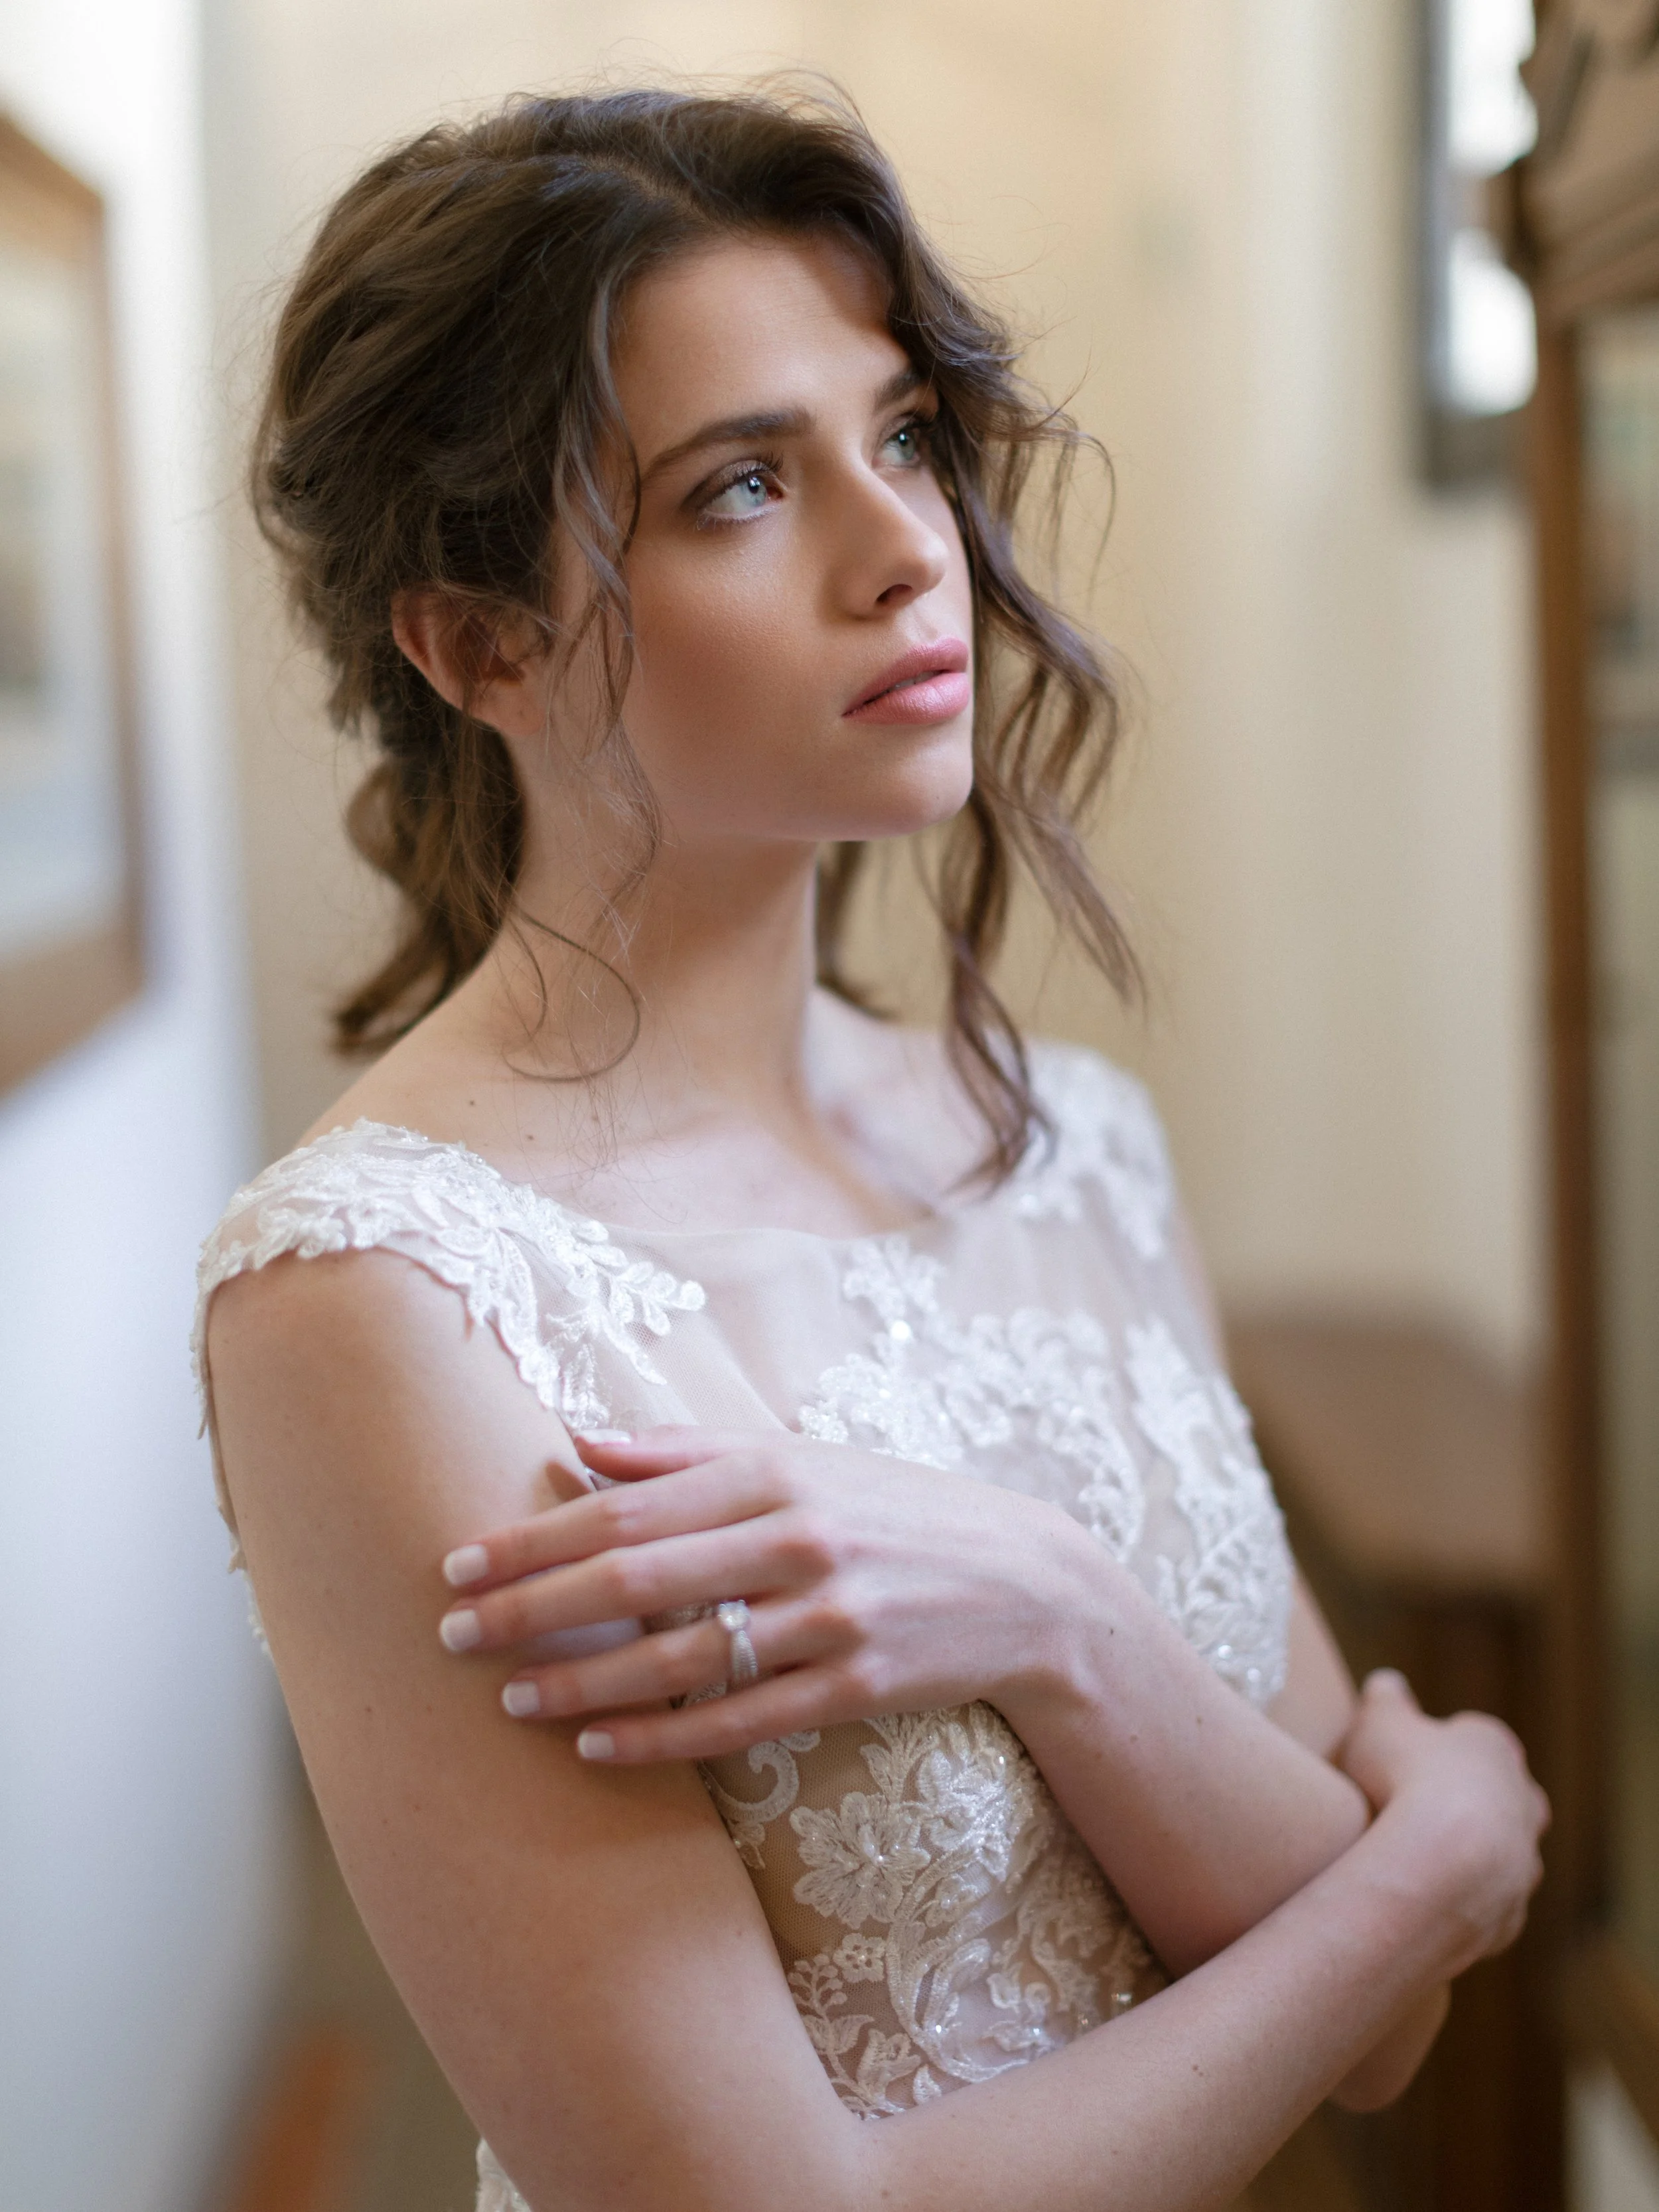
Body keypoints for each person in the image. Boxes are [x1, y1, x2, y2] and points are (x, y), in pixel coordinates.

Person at [196, 86, 1548, 2212]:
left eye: (905, 434)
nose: (907, 545)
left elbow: (1370, 2034)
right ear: (476, 645)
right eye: (739, 484)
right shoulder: (379, 1299)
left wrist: (1053, 1612)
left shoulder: (1068, 1141)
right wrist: (1446, 1858)